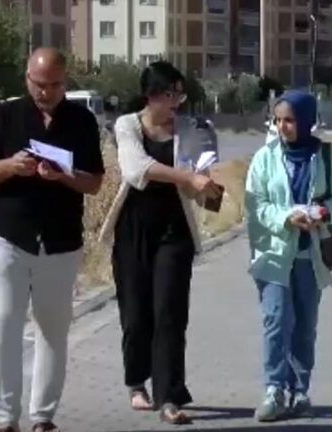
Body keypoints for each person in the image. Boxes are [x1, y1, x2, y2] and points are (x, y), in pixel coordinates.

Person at [0, 48, 105, 432]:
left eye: (55, 85)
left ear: (65, 81)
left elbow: (94, 182)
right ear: (27, 78)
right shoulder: (5, 115)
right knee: (4, 324)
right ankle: (5, 418)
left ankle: (43, 416)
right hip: (9, 237)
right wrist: (11, 166)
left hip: (61, 240)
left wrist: (62, 175)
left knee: (53, 329)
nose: (46, 92)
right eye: (39, 84)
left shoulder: (82, 120)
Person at [99, 61, 222, 425]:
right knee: (136, 313)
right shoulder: (128, 125)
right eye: (170, 94)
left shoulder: (190, 128)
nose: (176, 102)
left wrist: (206, 183)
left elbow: (200, 174)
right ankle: (136, 382)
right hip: (134, 227)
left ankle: (170, 395)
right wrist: (186, 176)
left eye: (180, 94)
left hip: (174, 230)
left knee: (170, 311)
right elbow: (136, 170)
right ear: (151, 95)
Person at [244, 90, 332, 422]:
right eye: (278, 120)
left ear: (306, 121)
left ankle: (299, 391)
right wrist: (285, 218)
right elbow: (256, 204)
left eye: (289, 120)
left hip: (310, 254)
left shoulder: (328, 156)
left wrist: (322, 212)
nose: (282, 126)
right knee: (276, 321)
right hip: (274, 253)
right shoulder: (265, 157)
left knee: (304, 326)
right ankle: (274, 390)